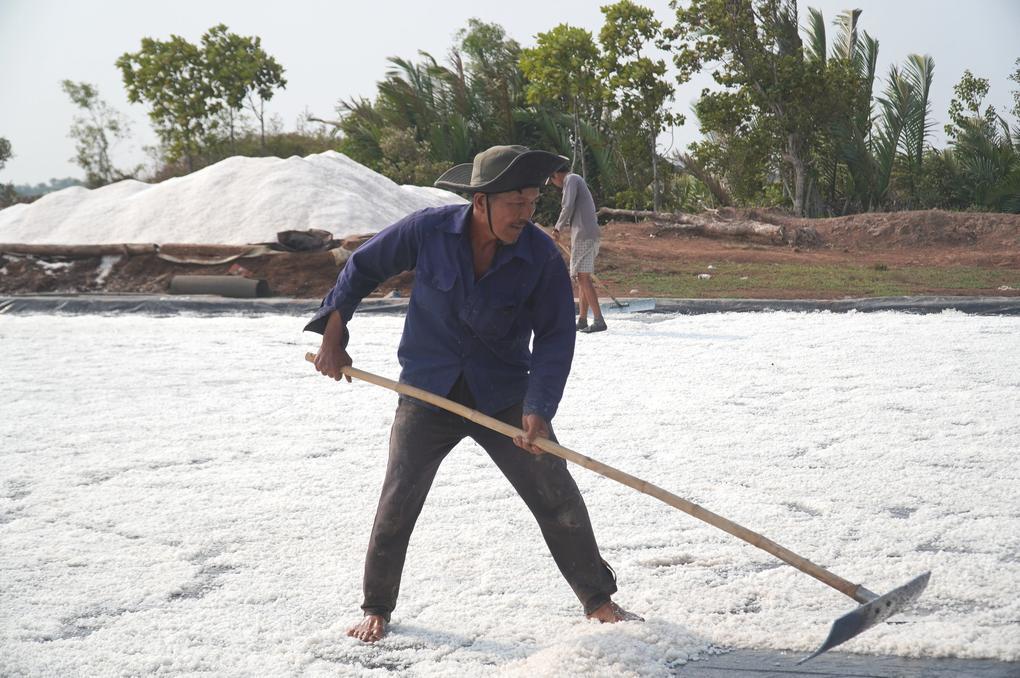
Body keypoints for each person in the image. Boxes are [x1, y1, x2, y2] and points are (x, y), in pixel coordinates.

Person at [307, 145, 641, 643]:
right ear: (480, 202)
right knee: (399, 499)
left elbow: (555, 336)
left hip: (502, 395)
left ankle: (598, 599)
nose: (525, 215)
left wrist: (538, 409)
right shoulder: (428, 229)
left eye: (531, 203)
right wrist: (334, 335)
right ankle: (376, 606)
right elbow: (362, 268)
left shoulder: (542, 257)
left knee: (555, 492)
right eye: (515, 204)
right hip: (428, 392)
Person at [549, 166, 605, 333]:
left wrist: (557, 229)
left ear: (556, 174)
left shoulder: (570, 180)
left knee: (583, 280)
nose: (554, 184)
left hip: (584, 235)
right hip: (586, 234)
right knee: (582, 278)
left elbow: (567, 207)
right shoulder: (575, 180)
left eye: (552, 180)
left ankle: (599, 320)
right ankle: (582, 319)